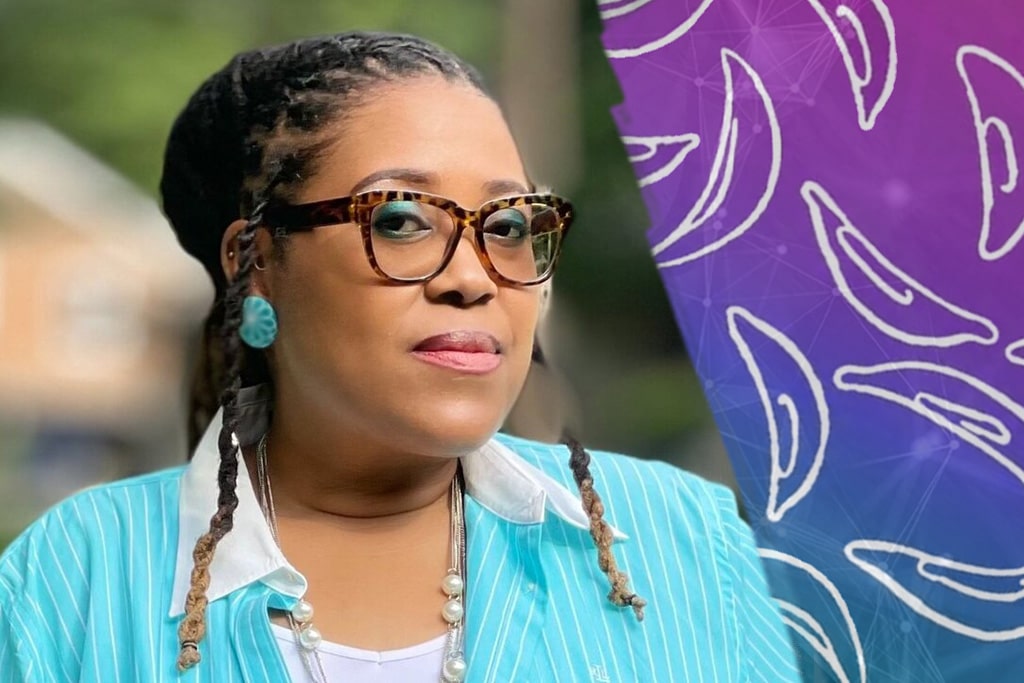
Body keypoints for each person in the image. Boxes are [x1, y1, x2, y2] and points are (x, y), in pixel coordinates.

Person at [0, 31, 800, 682]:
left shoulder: (688, 543)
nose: (473, 277)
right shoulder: (75, 576)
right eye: (402, 219)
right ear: (257, 262)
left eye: (508, 226)